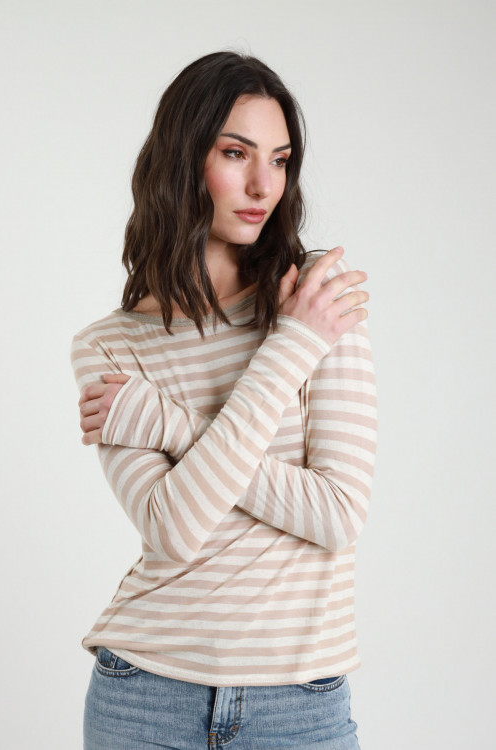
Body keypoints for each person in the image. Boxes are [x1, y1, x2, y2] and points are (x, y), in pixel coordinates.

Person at [71, 51, 377, 750]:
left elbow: (338, 514)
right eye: (236, 153)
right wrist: (291, 354)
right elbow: (174, 531)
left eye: (280, 159)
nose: (263, 184)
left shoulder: (315, 303)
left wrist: (169, 422)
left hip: (300, 707)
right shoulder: (108, 348)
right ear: (184, 160)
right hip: (143, 697)